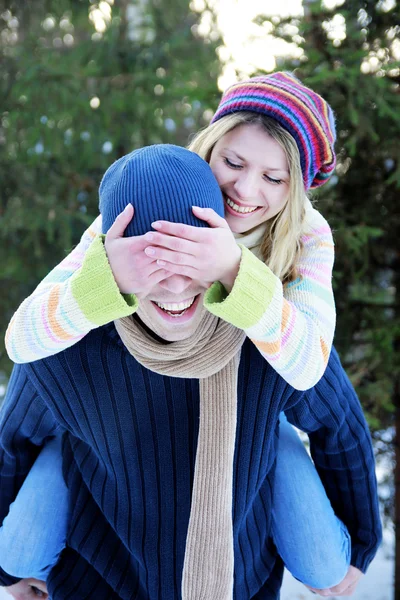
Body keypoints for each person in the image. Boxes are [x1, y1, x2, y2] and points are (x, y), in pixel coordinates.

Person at [0, 144, 381, 600]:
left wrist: (360, 541)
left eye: (192, 257)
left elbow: (338, 425)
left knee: (325, 564)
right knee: (15, 554)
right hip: (102, 557)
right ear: (111, 263)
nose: (177, 285)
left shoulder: (270, 329)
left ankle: (264, 433)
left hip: (238, 554)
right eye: (150, 261)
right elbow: (12, 441)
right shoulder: (66, 335)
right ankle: (75, 438)